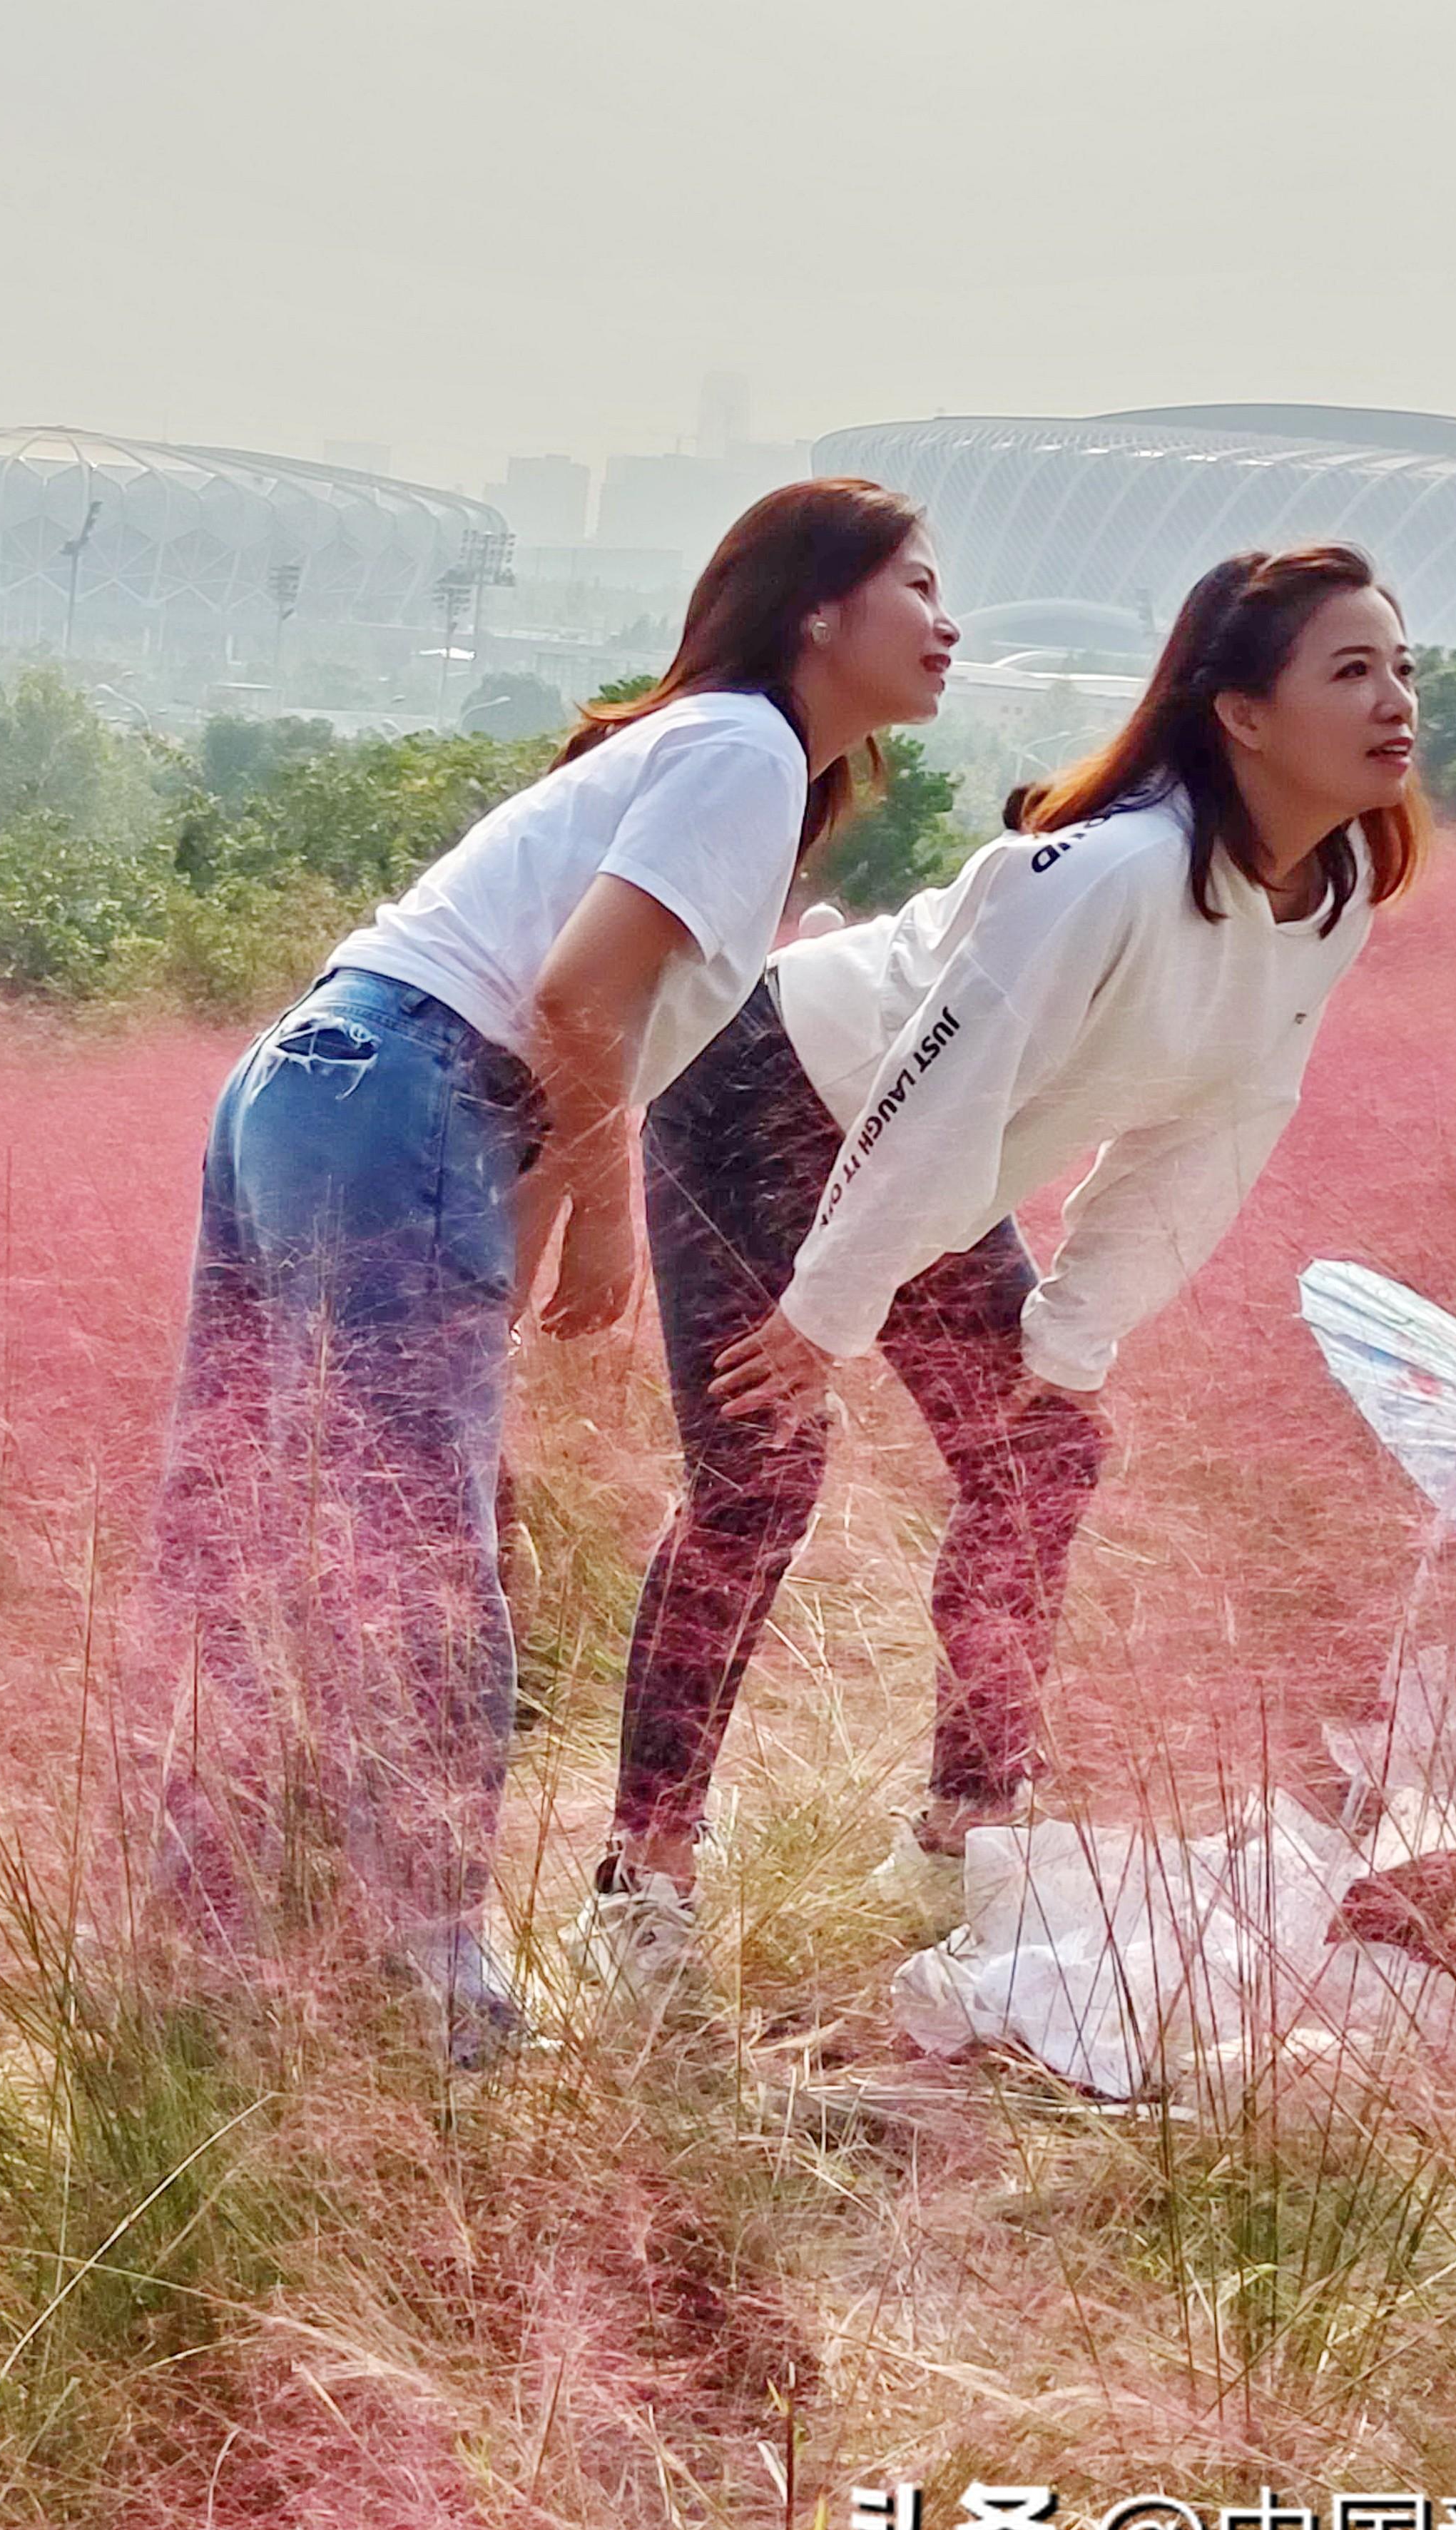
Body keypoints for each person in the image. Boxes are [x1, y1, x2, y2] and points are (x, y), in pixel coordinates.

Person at [151, 480, 957, 2062]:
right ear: (816, 609)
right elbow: (575, 1000)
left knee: (257, 1541)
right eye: (917, 586)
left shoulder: (704, 753)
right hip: (410, 1092)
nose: (949, 623)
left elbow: (532, 1038)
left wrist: (487, 1385)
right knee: (423, 1589)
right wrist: (605, 1220)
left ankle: (206, 1951)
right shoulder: (738, 749)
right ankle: (427, 1999)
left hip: (319, 1080)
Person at [582, 544, 1425, 1979]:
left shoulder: (1325, 893)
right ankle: (640, 1877)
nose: (1393, 699)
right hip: (766, 1085)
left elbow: (1223, 1119)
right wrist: (826, 1307)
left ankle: (962, 1833)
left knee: (1042, 1452)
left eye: (1401, 667)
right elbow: (939, 1078)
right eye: (1349, 669)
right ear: (1240, 713)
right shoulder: (1104, 871)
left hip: (921, 1156)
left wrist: (1072, 1331)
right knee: (760, 1474)